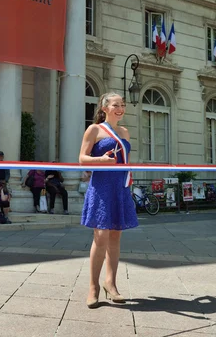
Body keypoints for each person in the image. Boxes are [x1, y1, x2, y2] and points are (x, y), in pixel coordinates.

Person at [79, 92, 138, 309]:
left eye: (122, 104)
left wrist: (129, 184)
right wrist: (100, 160)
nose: (120, 108)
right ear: (104, 108)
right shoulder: (94, 130)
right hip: (102, 186)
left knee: (115, 235)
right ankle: (93, 287)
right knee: (100, 235)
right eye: (116, 105)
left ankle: (111, 284)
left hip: (120, 187)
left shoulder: (125, 132)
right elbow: (82, 159)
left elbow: (127, 163)